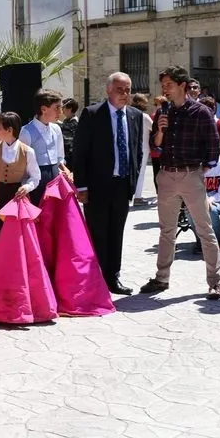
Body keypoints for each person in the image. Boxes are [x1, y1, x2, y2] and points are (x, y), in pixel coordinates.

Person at [141, 65, 220, 300]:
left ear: (182, 85)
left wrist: (197, 171)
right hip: (166, 175)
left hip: (190, 175)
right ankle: (161, 278)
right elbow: (155, 146)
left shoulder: (200, 112)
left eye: (169, 84)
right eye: (163, 85)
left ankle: (214, 281)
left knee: (205, 230)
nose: (165, 89)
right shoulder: (163, 113)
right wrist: (161, 132)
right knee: (167, 231)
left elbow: (213, 148)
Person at [71, 72, 144, 296]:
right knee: (98, 232)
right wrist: (81, 186)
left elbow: (136, 151)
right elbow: (80, 151)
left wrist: (132, 181)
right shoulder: (93, 114)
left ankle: (113, 276)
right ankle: (96, 277)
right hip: (97, 186)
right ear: (108, 91)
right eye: (120, 90)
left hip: (122, 184)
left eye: (128, 90)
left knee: (116, 232)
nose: (125, 94)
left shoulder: (135, 115)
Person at [0, 112, 40, 246]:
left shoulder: (28, 151)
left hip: (15, 197)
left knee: (14, 237)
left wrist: (26, 187)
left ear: (9, 130)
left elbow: (35, 177)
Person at [20, 90, 72, 206]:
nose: (61, 112)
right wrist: (25, 186)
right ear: (43, 109)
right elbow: (23, 164)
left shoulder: (56, 129)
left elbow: (59, 156)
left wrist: (64, 168)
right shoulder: (26, 131)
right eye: (57, 108)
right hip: (37, 181)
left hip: (55, 179)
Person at [192, 157, 220, 255]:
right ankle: (200, 240)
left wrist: (210, 200)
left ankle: (217, 241)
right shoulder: (197, 166)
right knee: (189, 210)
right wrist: (203, 199)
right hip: (203, 198)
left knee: (212, 210)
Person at [130, 93, 154, 205]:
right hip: (143, 147)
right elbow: (154, 128)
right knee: (141, 172)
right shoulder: (144, 116)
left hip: (131, 146)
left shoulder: (129, 113)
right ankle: (138, 197)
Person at [60, 98, 80, 162]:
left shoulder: (74, 123)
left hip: (71, 156)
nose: (62, 110)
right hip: (66, 154)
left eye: (64, 107)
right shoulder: (66, 121)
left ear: (70, 109)